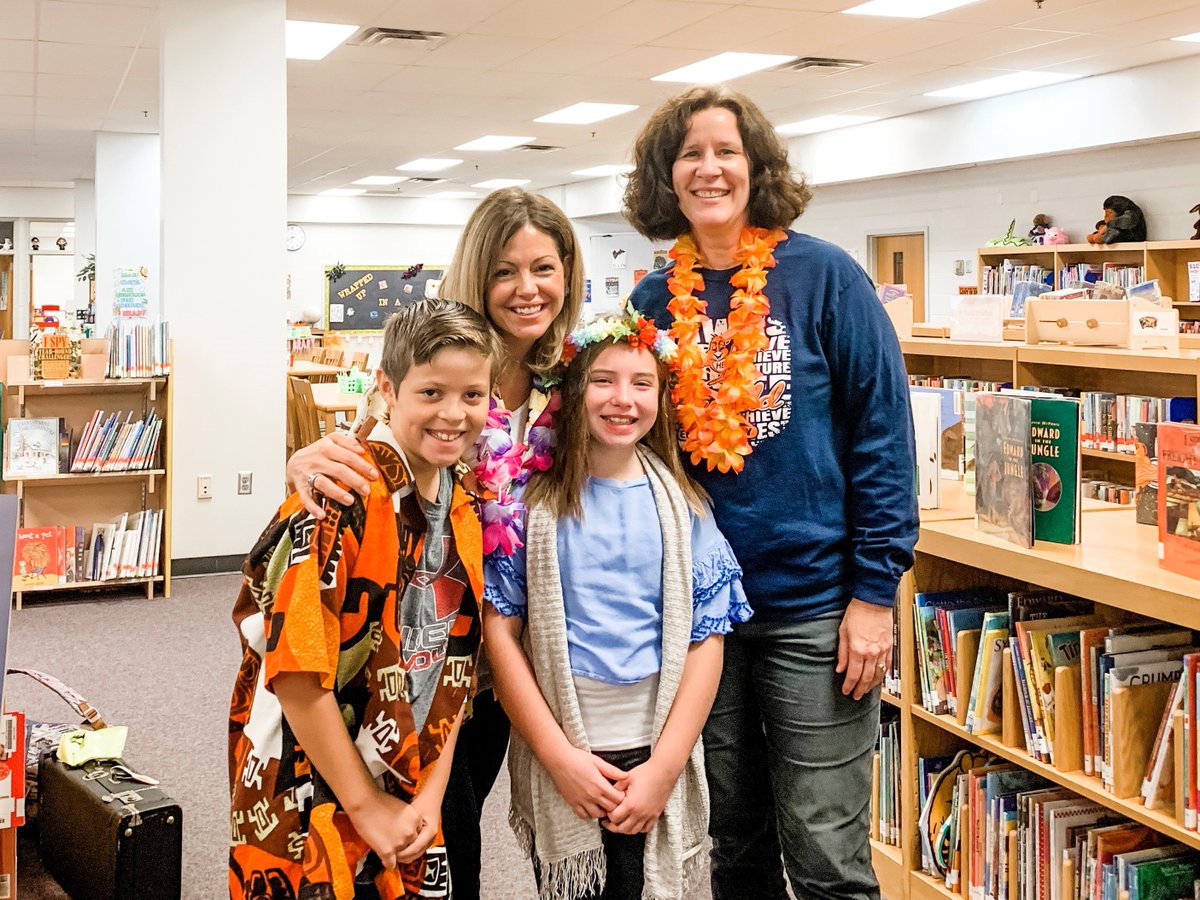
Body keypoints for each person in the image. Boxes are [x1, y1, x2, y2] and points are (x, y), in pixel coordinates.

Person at [622, 86, 919, 900]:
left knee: (826, 855)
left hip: (815, 609)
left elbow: (884, 440)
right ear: (666, 175)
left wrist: (872, 595)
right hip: (700, 617)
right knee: (732, 842)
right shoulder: (652, 303)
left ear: (756, 167)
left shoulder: (825, 278)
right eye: (689, 154)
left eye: (726, 151)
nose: (709, 168)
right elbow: (621, 444)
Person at [283, 187, 586, 899]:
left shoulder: (574, 376)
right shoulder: (432, 351)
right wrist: (305, 462)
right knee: (424, 853)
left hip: (511, 656)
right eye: (505, 270)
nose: (526, 289)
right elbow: (371, 451)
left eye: (544, 268)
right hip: (413, 660)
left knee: (457, 834)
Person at [229, 299, 504, 899]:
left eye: (472, 395)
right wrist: (367, 805)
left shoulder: (462, 500)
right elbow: (297, 673)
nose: (453, 414)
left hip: (409, 777)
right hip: (313, 787)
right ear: (387, 388)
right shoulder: (339, 496)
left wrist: (429, 799)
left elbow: (454, 665)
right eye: (431, 393)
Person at [483, 311, 751, 900]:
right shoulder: (527, 505)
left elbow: (707, 640)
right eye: (603, 380)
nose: (622, 399)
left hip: (653, 751)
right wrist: (559, 759)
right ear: (573, 392)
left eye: (642, 383)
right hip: (569, 757)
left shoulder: (684, 507)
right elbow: (500, 634)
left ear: (662, 395)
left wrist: (664, 768)